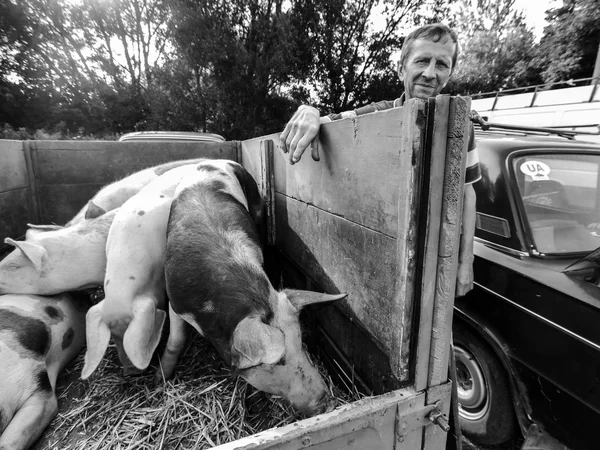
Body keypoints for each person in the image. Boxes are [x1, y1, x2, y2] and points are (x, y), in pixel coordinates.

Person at [279, 23, 481, 297]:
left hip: (435, 264)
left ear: (450, 73)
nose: (430, 73)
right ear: (402, 68)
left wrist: (465, 261)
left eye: (441, 64)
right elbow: (334, 121)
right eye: (422, 60)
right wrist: (309, 110)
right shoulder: (378, 116)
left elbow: (467, 193)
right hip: (383, 260)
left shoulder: (460, 127)